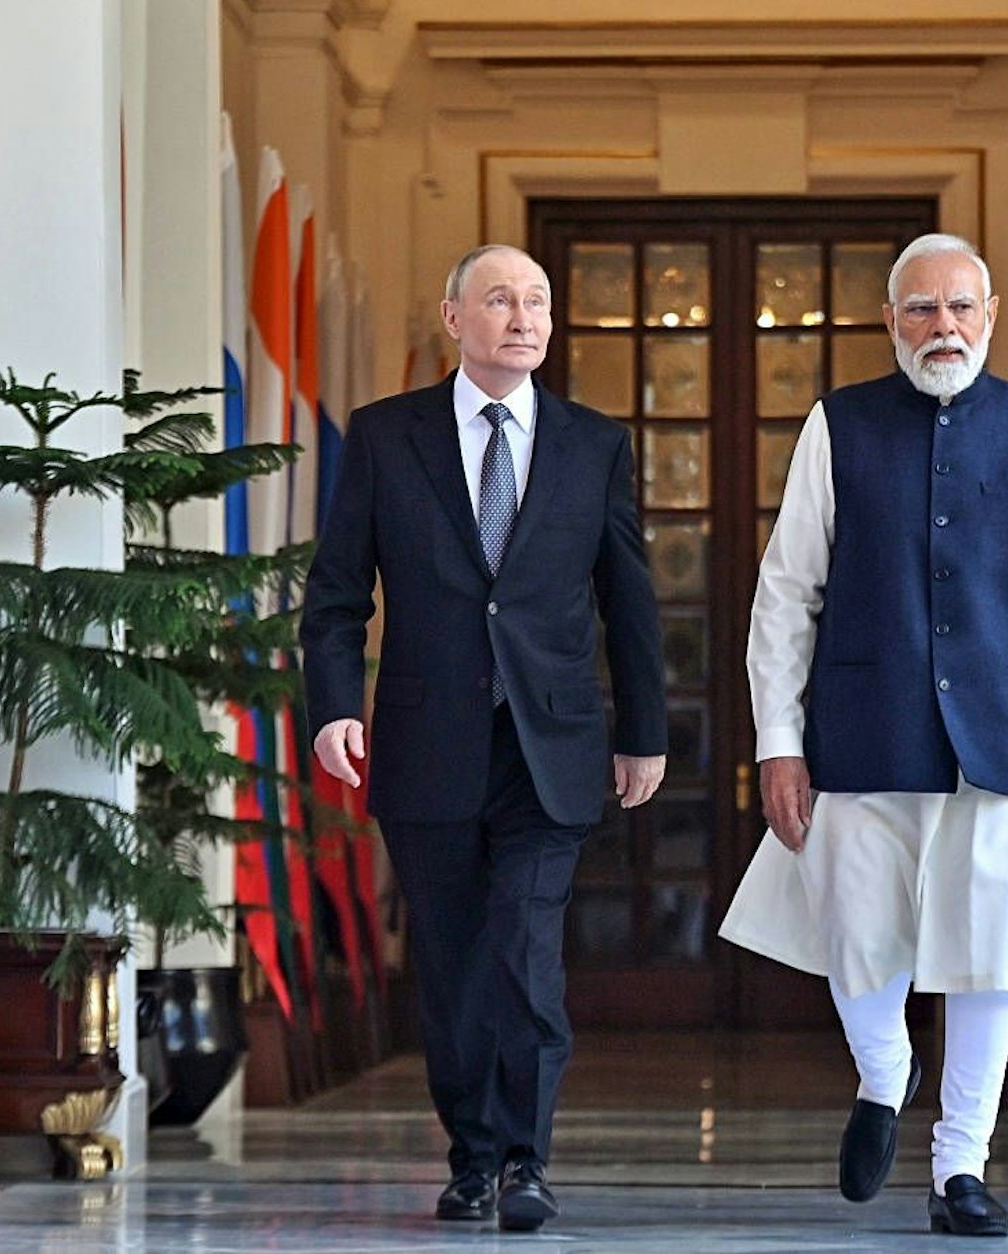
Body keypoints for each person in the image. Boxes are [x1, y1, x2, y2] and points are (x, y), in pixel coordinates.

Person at [718, 232, 1008, 1238]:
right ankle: (883, 1069)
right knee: (859, 930)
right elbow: (784, 593)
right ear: (887, 322)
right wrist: (776, 737)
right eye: (919, 309)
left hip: (1007, 737)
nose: (941, 326)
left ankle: (959, 1166)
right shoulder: (839, 425)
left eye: (959, 308)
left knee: (991, 951)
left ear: (988, 317)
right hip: (864, 724)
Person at [302, 244, 667, 1234]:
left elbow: (627, 597)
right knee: (456, 961)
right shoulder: (385, 437)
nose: (523, 316)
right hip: (427, 743)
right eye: (499, 299)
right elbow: (336, 594)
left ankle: (523, 1161)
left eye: (537, 301)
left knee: (524, 949)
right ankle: (468, 1157)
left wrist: (645, 732)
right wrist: (334, 703)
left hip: (550, 746)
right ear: (452, 317)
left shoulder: (595, 444)